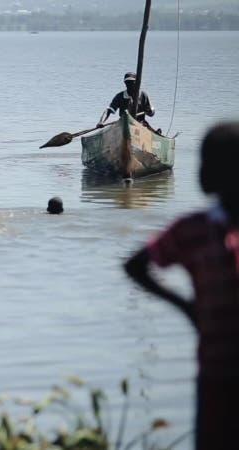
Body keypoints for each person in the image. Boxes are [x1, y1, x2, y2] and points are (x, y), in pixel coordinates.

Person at [124, 121, 239, 450]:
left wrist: (188, 308)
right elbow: (136, 265)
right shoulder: (193, 230)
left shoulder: (193, 229)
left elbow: (135, 266)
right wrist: (186, 307)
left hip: (213, 370)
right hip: (215, 373)